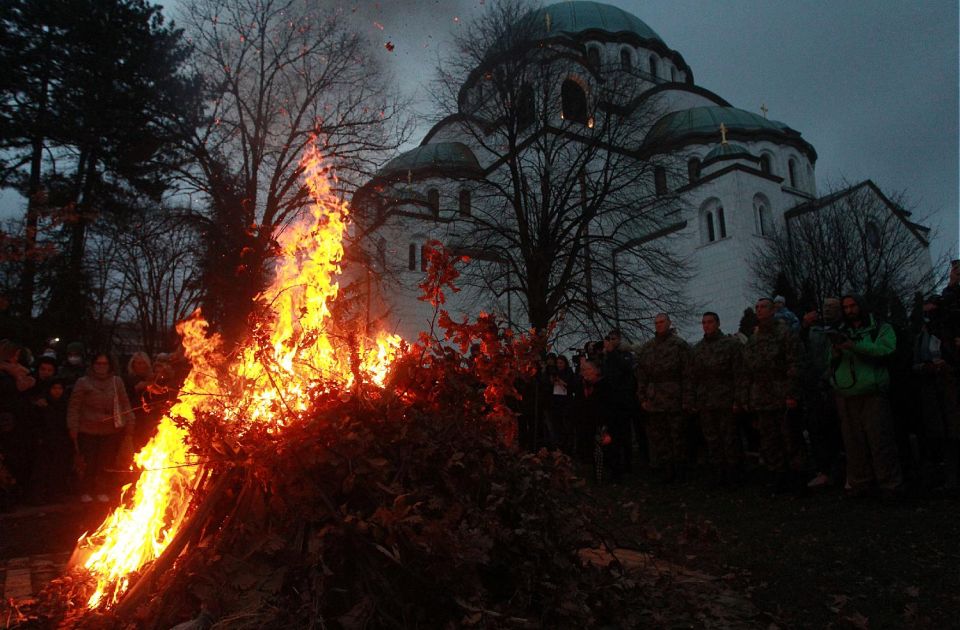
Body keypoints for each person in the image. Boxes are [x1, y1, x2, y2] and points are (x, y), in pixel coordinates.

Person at [828, 295, 903, 498]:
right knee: (854, 443)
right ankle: (861, 484)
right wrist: (836, 351)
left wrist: (855, 346)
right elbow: (830, 361)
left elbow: (886, 350)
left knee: (880, 442)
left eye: (853, 306)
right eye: (846, 307)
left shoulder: (880, 328)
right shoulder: (842, 331)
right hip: (846, 392)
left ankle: (889, 484)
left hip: (872, 392)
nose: (850, 310)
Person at [740, 298, 802, 493]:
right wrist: (748, 397)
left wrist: (792, 393)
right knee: (769, 440)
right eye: (757, 307)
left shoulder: (785, 334)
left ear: (773, 310)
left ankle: (798, 477)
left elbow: (794, 364)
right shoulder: (753, 340)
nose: (759, 310)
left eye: (763, 307)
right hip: (762, 396)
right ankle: (777, 476)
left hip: (782, 393)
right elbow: (747, 370)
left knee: (790, 437)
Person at [67, 353, 133, 503]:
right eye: (98, 363)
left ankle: (101, 489)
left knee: (106, 462)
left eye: (104, 364)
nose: (101, 367)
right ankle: (85, 489)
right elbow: (74, 406)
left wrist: (130, 424)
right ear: (92, 365)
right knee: (88, 462)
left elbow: (125, 404)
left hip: (110, 430)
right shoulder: (83, 382)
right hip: (87, 429)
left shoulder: (116, 382)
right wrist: (73, 426)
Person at [634, 314, 692, 481]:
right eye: (656, 323)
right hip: (655, 401)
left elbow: (688, 374)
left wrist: (687, 399)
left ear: (669, 324)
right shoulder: (648, 347)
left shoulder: (679, 345)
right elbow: (642, 375)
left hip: (675, 398)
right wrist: (642, 397)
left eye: (662, 322)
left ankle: (680, 470)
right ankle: (666, 470)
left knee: (678, 436)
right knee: (660, 438)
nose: (659, 325)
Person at [690, 312, 742, 485]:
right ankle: (718, 473)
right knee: (712, 439)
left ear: (718, 323)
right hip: (706, 401)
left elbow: (739, 374)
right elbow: (694, 378)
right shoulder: (698, 349)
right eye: (703, 322)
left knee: (730, 438)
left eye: (710, 322)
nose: (706, 325)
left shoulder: (731, 345)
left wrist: (738, 399)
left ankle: (734, 474)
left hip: (726, 399)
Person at [799, 298, 844, 488]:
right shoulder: (814, 332)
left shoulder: (843, 330)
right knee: (818, 432)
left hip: (838, 385)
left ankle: (845, 470)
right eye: (825, 308)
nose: (827, 311)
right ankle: (825, 470)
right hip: (816, 389)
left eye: (832, 307)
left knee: (840, 432)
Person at [125, 351, 156, 449]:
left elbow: (156, 392)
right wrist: (152, 382)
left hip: (148, 418)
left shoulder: (149, 378)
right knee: (135, 445)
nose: (141, 366)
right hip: (133, 417)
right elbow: (139, 386)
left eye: (143, 363)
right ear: (133, 365)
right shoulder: (130, 378)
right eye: (138, 363)